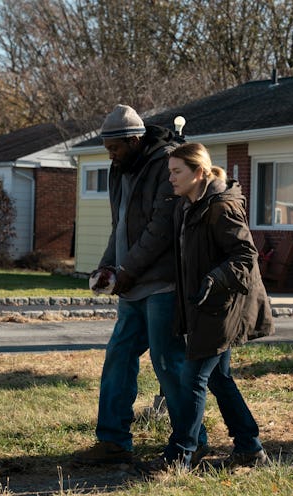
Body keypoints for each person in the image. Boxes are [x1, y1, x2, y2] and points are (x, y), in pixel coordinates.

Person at [75, 105, 207, 465]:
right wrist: (106, 265)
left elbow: (160, 229)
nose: (110, 155)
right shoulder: (119, 169)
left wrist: (126, 271)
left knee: (169, 364)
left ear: (134, 140)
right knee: (118, 356)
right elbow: (121, 226)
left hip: (163, 285)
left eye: (115, 148)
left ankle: (192, 442)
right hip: (131, 286)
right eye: (107, 149)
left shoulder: (166, 165)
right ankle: (113, 442)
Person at [163, 142, 274, 469]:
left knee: (194, 378)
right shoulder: (189, 205)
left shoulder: (220, 206)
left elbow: (246, 256)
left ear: (198, 172)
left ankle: (179, 456)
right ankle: (250, 448)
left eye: (176, 171)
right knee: (218, 379)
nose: (170, 178)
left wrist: (213, 280)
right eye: (169, 171)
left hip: (223, 305)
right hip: (205, 304)